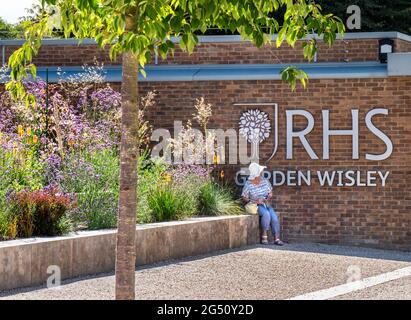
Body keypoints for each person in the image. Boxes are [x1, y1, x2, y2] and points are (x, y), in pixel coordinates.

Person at [241, 163, 284, 245]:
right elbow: (244, 197)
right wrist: (256, 201)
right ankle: (264, 235)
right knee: (266, 214)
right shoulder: (248, 184)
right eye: (260, 172)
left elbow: (270, 192)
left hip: (266, 203)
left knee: (274, 218)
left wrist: (268, 197)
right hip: (256, 205)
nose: (261, 173)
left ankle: (277, 239)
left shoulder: (264, 180)